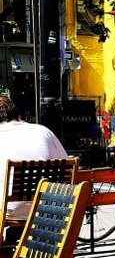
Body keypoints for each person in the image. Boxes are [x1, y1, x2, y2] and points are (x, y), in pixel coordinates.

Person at [0, 93, 69, 224]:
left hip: (8, 211)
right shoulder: (43, 131)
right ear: (18, 115)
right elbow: (66, 164)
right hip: (48, 207)